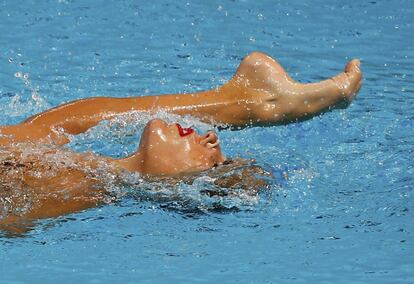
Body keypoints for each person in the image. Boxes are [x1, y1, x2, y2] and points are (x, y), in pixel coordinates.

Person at [0, 52, 362, 233]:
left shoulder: (83, 187)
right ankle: (247, 101)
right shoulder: (87, 168)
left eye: (216, 160)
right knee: (41, 130)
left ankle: (249, 102)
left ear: (185, 184)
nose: (210, 138)